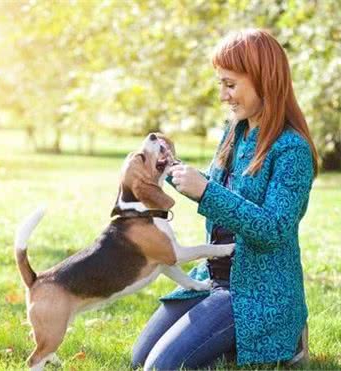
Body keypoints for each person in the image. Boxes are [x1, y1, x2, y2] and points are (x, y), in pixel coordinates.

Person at [131, 28, 319, 369]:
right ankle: (227, 341)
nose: (223, 95)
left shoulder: (293, 150)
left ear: (264, 80)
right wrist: (175, 172)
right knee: (139, 357)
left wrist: (206, 191)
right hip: (211, 276)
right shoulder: (236, 131)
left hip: (255, 293)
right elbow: (217, 188)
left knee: (159, 368)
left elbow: (273, 229)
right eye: (221, 84)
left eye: (230, 84)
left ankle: (283, 337)